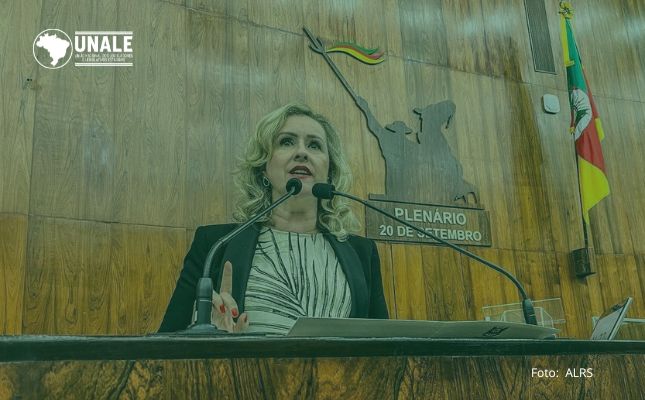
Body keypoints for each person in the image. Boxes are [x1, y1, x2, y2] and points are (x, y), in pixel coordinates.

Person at [159, 103, 389, 334]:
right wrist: (211, 339)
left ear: (330, 171)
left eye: (314, 145)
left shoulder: (362, 253)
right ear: (263, 168)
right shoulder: (215, 245)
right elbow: (165, 343)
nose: (302, 152)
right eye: (286, 142)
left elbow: (385, 345)